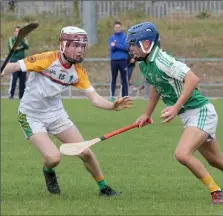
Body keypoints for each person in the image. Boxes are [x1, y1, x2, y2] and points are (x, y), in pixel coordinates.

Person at [1, 26, 133, 196]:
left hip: (56, 115)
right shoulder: (47, 59)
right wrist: (3, 71)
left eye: (82, 47)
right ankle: (48, 171)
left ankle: (104, 188)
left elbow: (94, 98)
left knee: (85, 151)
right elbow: (15, 66)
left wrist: (112, 106)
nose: (80, 51)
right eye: (75, 46)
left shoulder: (78, 72)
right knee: (53, 158)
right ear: (64, 45)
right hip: (31, 115)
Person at [126, 22, 223, 204]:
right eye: (130, 44)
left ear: (147, 44)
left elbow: (192, 79)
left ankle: (216, 192)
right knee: (216, 160)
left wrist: (175, 107)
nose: (131, 48)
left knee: (182, 153)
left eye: (134, 44)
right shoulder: (145, 63)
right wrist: (147, 114)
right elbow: (156, 86)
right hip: (190, 114)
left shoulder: (163, 60)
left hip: (200, 111)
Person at [108, 20, 129, 102]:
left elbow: (126, 48)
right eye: (116, 27)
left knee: (124, 79)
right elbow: (111, 48)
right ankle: (112, 96)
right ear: (114, 28)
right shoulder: (112, 37)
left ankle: (125, 96)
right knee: (113, 78)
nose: (117, 29)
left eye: (119, 27)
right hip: (114, 61)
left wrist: (116, 45)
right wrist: (116, 46)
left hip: (123, 60)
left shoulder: (125, 37)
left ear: (121, 27)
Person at [8, 26, 29, 99]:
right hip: (13, 62)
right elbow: (12, 48)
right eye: (17, 31)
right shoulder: (11, 39)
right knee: (13, 80)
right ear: (14, 32)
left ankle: (21, 97)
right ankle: (11, 96)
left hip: (22, 62)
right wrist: (20, 47)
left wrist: (21, 40)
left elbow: (26, 47)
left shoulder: (24, 39)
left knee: (22, 81)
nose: (18, 33)